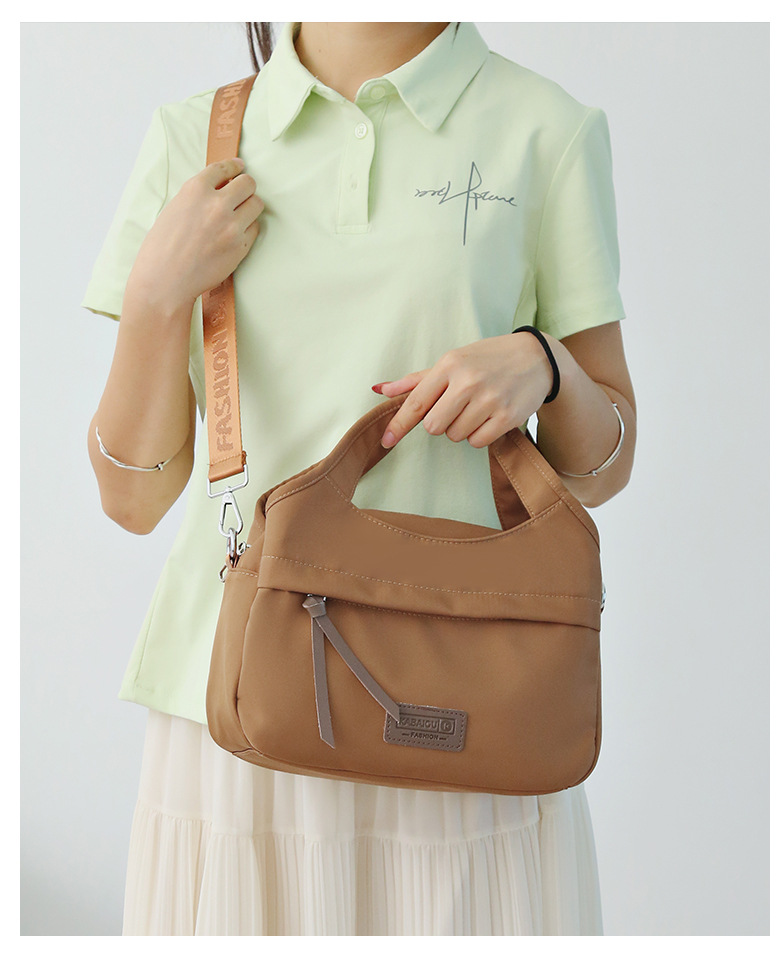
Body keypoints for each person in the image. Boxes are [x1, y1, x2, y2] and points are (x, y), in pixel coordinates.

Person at [82, 21, 637, 936]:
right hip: (238, 706)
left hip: (466, 699)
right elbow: (132, 499)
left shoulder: (548, 129)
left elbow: (606, 465)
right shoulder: (197, 136)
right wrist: (152, 296)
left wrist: (546, 365)